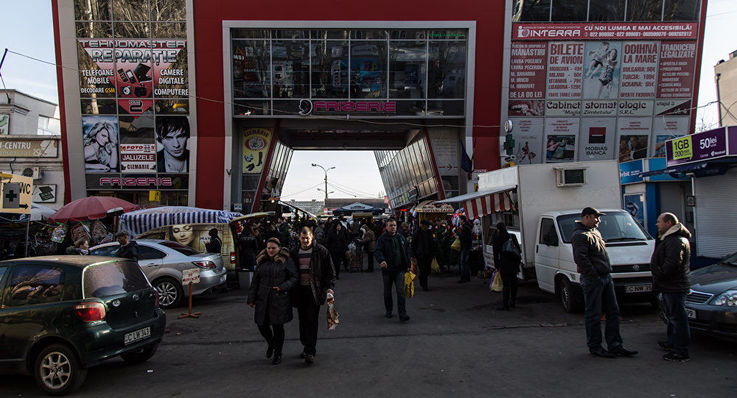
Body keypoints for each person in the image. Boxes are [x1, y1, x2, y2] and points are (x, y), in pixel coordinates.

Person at [572, 207, 637, 358]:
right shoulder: (579, 235)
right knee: (594, 314)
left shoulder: (594, 232)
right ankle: (595, 346)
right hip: (594, 279)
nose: (598, 221)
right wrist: (594, 274)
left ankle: (615, 345)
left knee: (613, 312)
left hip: (605, 276)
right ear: (586, 217)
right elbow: (581, 258)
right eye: (596, 218)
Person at [289, 226, 335, 364]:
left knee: (312, 320)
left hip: (314, 291)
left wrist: (329, 287)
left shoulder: (321, 251)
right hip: (299, 291)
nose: (304, 240)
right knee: (302, 320)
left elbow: (330, 271)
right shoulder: (294, 252)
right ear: (299, 238)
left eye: (307, 238)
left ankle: (310, 350)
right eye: (302, 238)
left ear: (312, 237)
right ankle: (306, 344)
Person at [247, 237, 298, 365]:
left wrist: (283, 287)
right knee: (261, 324)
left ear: (279, 248)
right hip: (263, 297)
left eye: (273, 248)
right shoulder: (261, 260)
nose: (270, 250)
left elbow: (294, 277)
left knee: (277, 326)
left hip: (279, 297)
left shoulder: (285, 260)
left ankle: (278, 353)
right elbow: (255, 281)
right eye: (268, 248)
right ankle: (272, 344)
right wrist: (251, 298)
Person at [651, 212, 692, 362]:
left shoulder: (675, 241)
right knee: (672, 317)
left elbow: (672, 263)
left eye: (659, 222)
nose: (657, 224)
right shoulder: (667, 239)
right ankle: (672, 343)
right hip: (669, 285)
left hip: (674, 286)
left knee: (677, 318)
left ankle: (681, 350)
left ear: (669, 224)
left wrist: (660, 274)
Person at [375, 219, 415, 322]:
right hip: (387, 270)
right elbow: (378, 251)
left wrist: (409, 262)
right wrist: (382, 260)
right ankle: (389, 310)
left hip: (400, 269)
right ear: (387, 227)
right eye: (391, 225)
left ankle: (402, 314)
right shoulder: (382, 239)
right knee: (387, 292)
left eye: (394, 225)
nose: (393, 227)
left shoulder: (400, 237)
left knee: (401, 292)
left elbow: (407, 250)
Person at [493, 223, 521, 311]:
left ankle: (506, 304)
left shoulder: (497, 238)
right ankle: (513, 301)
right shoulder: (511, 236)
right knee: (514, 283)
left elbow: (495, 253)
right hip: (513, 263)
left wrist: (496, 265)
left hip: (504, 263)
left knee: (506, 285)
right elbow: (518, 250)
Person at [412, 220, 435, 291]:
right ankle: (425, 286)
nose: (425, 227)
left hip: (428, 254)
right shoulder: (417, 233)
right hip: (420, 255)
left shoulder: (429, 233)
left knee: (427, 270)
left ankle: (421, 278)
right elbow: (413, 244)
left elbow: (432, 243)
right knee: (423, 270)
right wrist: (413, 254)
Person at [458, 216, 472, 283]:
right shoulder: (467, 226)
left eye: (460, 220)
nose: (459, 221)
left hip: (465, 246)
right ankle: (467, 277)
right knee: (466, 262)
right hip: (467, 246)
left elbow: (464, 237)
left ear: (462, 220)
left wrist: (458, 236)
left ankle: (464, 277)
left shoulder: (465, 227)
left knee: (463, 262)